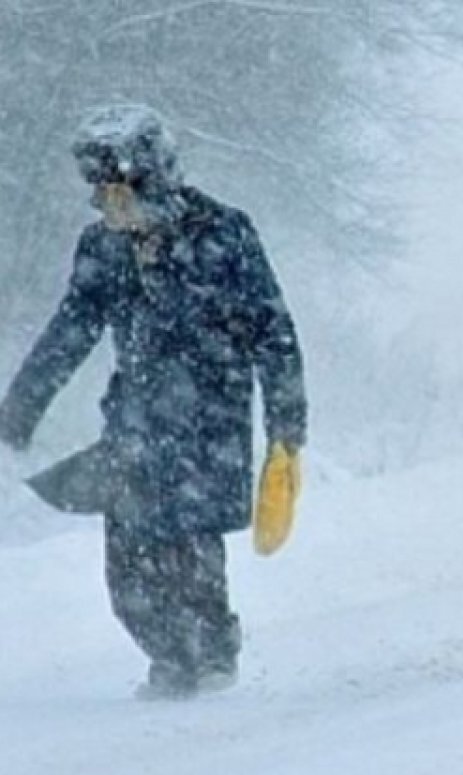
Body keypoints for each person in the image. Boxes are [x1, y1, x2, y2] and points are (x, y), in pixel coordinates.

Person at [0, 104, 307, 700]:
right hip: (133, 427)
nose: (108, 205)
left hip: (208, 425)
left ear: (154, 180)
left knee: (189, 552)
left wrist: (285, 427)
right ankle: (169, 661)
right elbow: (69, 331)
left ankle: (213, 660)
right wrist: (17, 410)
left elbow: (274, 333)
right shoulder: (103, 249)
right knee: (129, 570)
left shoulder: (225, 235)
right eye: (101, 193)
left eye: (119, 190)